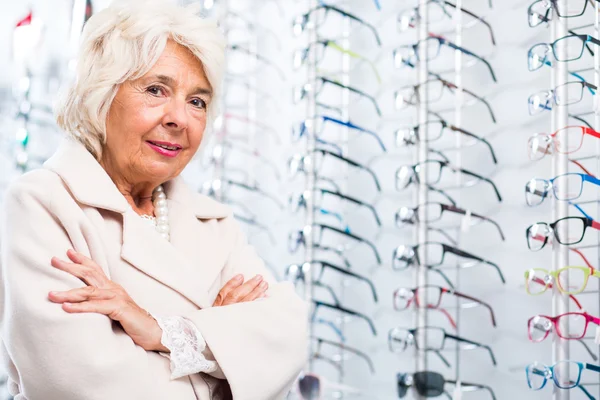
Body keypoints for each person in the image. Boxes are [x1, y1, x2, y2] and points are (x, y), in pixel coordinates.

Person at [0, 1, 307, 399]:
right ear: (101, 96)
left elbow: (288, 335)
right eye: (155, 90)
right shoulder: (43, 204)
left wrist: (159, 330)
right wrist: (224, 360)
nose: (179, 118)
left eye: (197, 101)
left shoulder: (211, 222)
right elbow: (81, 383)